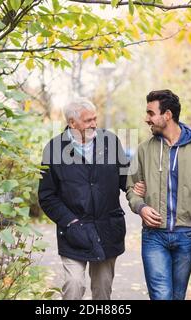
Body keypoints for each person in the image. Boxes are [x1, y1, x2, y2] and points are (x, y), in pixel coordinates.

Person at [38, 98, 130, 300]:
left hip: (107, 230)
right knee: (74, 285)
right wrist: (70, 221)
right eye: (88, 120)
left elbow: (127, 179)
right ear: (72, 123)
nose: (94, 124)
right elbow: (47, 196)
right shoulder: (54, 150)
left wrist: (139, 190)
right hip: (73, 232)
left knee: (103, 291)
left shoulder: (110, 142)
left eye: (95, 119)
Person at [126, 89, 191, 300]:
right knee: (161, 296)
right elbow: (131, 188)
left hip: (186, 235)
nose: (146, 119)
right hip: (154, 236)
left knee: (177, 296)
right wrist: (141, 207)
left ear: (167, 115)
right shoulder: (144, 149)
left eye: (150, 113)